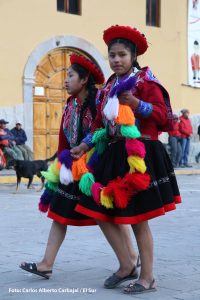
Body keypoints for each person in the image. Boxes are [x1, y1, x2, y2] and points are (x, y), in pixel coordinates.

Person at [71, 25, 181, 294]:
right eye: (112, 55)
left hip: (139, 155)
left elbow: (166, 118)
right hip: (112, 153)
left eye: (122, 55)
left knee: (138, 219)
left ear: (133, 57)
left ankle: (148, 277)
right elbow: (100, 122)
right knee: (99, 211)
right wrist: (84, 145)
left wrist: (136, 105)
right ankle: (126, 265)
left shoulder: (146, 83)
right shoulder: (109, 85)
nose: (116, 60)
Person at [20, 54, 139, 282]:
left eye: (71, 76)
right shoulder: (69, 104)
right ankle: (46, 264)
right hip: (72, 165)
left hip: (94, 167)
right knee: (59, 213)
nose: (66, 81)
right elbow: (65, 139)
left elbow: (104, 133)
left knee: (109, 212)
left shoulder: (97, 103)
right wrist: (60, 161)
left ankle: (132, 257)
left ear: (83, 80)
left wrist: (91, 162)